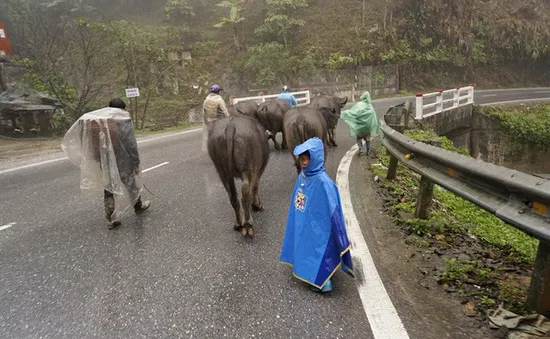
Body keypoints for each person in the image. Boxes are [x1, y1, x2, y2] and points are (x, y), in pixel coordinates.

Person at [61, 98, 150, 229]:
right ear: (123, 109)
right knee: (130, 183)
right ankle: (138, 206)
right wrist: (135, 163)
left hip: (104, 160)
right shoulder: (122, 119)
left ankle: (111, 218)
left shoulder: (99, 120)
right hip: (122, 157)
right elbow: (130, 143)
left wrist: (97, 158)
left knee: (109, 186)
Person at [280, 137, 354, 293]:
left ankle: (324, 279)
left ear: (316, 158)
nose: (304, 163)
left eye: (307, 159)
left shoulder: (323, 182)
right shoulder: (302, 177)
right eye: (302, 159)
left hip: (321, 226)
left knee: (319, 247)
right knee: (305, 244)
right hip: (306, 222)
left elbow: (333, 210)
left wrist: (338, 233)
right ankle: (309, 271)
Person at [340, 91, 380, 156]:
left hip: (360, 126)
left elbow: (353, 112)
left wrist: (344, 113)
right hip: (368, 127)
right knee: (367, 139)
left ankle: (360, 149)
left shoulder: (359, 104)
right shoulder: (370, 106)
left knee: (359, 138)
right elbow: (373, 117)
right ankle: (368, 151)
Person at [202, 84, 230, 153]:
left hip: (209, 121)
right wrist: (229, 117)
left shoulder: (206, 100)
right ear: (218, 92)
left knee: (209, 136)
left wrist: (206, 122)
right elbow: (224, 110)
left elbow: (204, 112)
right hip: (219, 120)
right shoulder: (219, 100)